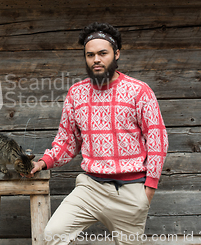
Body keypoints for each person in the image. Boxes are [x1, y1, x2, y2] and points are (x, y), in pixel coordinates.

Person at [29, 22, 168, 245]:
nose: (96, 59)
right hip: (89, 188)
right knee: (53, 234)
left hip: (130, 192)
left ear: (117, 54)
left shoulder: (139, 91)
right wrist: (43, 163)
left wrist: (149, 189)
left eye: (103, 53)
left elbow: (157, 139)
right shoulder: (76, 93)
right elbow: (67, 141)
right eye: (90, 54)